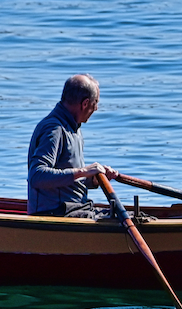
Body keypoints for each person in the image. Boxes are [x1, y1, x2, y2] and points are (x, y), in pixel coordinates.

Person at [27, 74, 118, 217]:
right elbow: (37, 176)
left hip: (76, 208)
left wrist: (94, 178)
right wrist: (83, 171)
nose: (96, 108)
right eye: (96, 103)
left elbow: (67, 179)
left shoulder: (73, 128)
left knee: (127, 215)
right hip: (55, 213)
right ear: (85, 103)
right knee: (119, 218)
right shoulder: (54, 129)